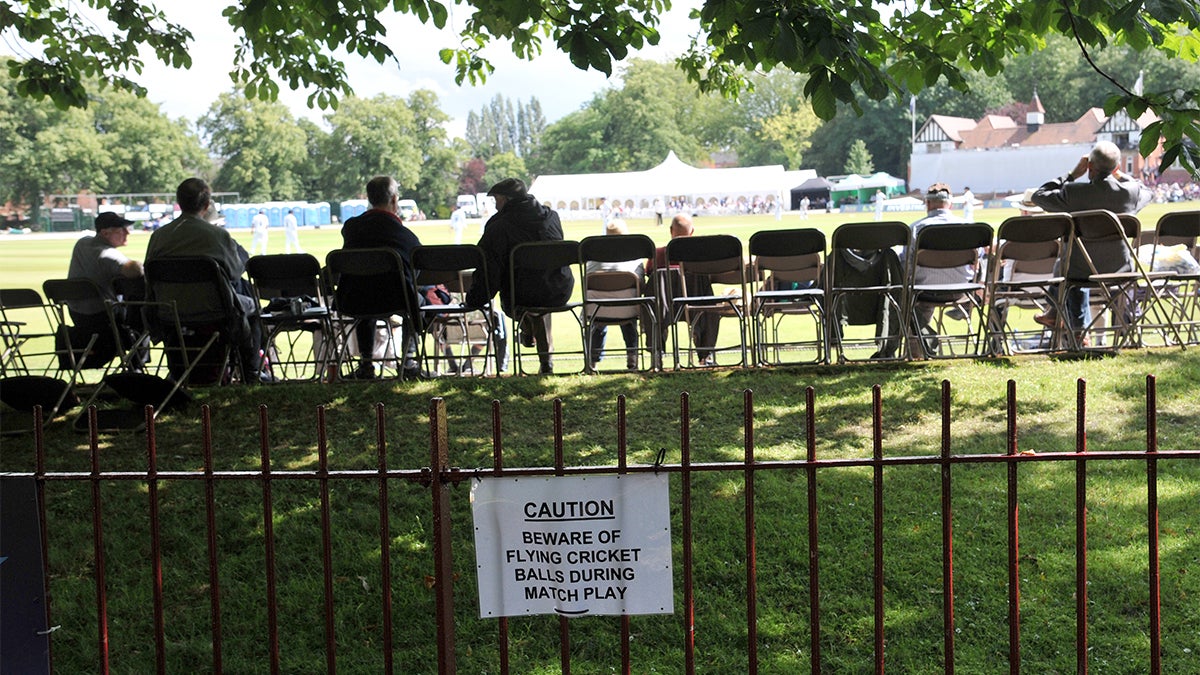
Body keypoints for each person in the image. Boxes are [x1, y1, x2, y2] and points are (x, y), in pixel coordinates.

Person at [146, 178, 270, 382]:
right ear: (206, 205)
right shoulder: (217, 235)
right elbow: (235, 272)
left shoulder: (158, 236)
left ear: (179, 202)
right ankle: (251, 372)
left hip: (168, 312)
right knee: (252, 306)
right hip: (214, 310)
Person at [1030, 140, 1153, 342]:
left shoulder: (1073, 192)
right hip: (1121, 268)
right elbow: (1147, 191)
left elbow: (1039, 196)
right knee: (1072, 259)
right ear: (1117, 167)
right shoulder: (1129, 193)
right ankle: (1060, 318)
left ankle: (1074, 328)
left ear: (1089, 167)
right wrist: (1119, 174)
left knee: (1070, 261)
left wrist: (1071, 175)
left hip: (1079, 270)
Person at [465, 177, 573, 375]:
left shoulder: (499, 226)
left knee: (528, 292)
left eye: (496, 200)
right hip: (558, 290)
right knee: (540, 287)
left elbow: (488, 268)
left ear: (506, 199)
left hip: (519, 295)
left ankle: (527, 328)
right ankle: (545, 360)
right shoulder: (552, 217)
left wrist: (475, 299)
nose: (496, 206)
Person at [338, 175, 424, 379]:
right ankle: (408, 360)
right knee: (419, 301)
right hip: (396, 299)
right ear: (394, 200)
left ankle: (366, 363)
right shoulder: (404, 236)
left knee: (364, 290)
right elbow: (416, 268)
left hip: (354, 299)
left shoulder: (351, 229)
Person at [65, 211, 145, 365]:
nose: (127, 232)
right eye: (121, 229)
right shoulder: (107, 254)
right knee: (143, 313)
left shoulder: (82, 243)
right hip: (103, 318)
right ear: (105, 233)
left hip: (77, 315)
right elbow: (134, 270)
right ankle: (137, 366)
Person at [905, 183, 977, 352]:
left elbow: (906, 266)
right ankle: (924, 343)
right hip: (962, 291)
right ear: (950, 204)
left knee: (905, 298)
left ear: (927, 204)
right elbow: (978, 261)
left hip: (924, 291)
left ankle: (918, 349)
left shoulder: (915, 228)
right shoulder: (968, 228)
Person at [650, 214, 720, 366]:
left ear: (671, 231)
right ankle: (706, 355)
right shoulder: (700, 258)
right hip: (697, 306)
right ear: (692, 231)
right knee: (710, 303)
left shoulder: (658, 255)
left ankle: (656, 354)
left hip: (664, 308)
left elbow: (648, 275)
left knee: (651, 304)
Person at [585, 218, 643, 370]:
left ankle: (593, 360)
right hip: (628, 310)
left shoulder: (593, 259)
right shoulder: (635, 258)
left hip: (596, 311)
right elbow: (641, 286)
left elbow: (587, 285)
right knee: (629, 309)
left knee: (598, 317)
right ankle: (633, 356)